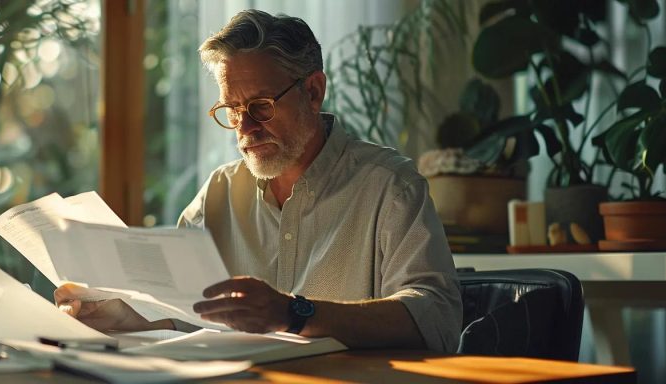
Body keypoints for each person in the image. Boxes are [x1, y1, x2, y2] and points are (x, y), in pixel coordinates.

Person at [55, 9, 462, 352]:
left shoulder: (389, 186)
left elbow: (437, 318)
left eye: (260, 106)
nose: (245, 128)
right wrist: (119, 314)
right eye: (232, 110)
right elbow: (184, 314)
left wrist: (296, 312)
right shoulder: (218, 193)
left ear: (314, 91)